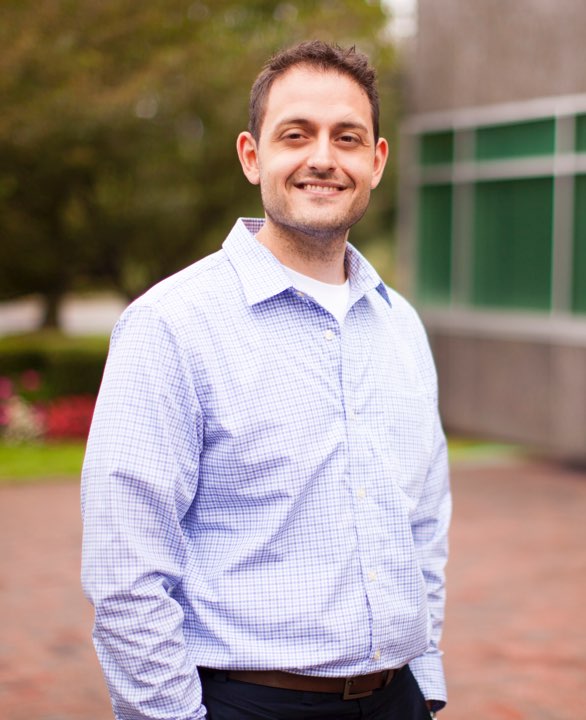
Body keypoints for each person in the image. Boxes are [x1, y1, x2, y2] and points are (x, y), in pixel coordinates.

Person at [81, 40, 451, 720]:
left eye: (347, 137)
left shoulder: (401, 327)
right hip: (247, 703)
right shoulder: (170, 326)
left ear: (377, 161)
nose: (323, 158)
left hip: (397, 701)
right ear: (252, 155)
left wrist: (423, 685)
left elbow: (423, 526)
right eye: (296, 134)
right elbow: (126, 571)